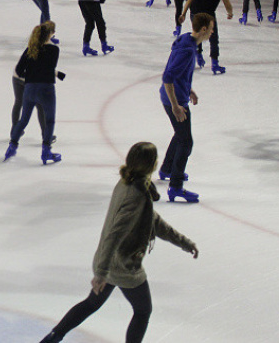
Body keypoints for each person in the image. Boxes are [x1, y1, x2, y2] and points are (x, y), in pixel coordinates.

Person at [39, 142, 199, 343]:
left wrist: (184, 242)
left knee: (92, 304)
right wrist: (101, 274)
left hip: (109, 261)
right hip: (122, 265)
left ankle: (53, 337)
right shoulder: (137, 194)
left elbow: (153, 221)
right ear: (152, 164)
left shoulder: (127, 182)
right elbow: (115, 234)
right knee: (143, 310)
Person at [158, 12, 215, 203]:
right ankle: (175, 186)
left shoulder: (186, 40)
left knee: (180, 134)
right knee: (186, 142)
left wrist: (189, 89)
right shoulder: (188, 50)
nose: (213, 32)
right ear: (204, 29)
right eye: (212, 28)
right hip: (174, 100)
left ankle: (167, 169)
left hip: (176, 96)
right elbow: (167, 77)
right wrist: (176, 105)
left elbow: (179, 73)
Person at [4, 21, 64, 164]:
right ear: (50, 34)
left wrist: (31, 75)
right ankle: (46, 151)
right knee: (49, 120)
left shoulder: (30, 49)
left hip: (29, 89)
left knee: (24, 120)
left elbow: (19, 70)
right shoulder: (54, 50)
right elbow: (49, 68)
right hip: (46, 89)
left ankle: (11, 147)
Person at [179, 0, 233, 74]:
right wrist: (230, 13)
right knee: (213, 38)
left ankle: (198, 55)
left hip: (195, 13)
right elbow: (227, 4)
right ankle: (214, 64)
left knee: (197, 35)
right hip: (209, 16)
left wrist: (183, 13)